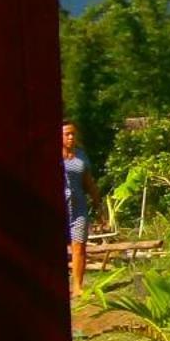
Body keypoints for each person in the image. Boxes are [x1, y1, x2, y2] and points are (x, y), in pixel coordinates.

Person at [62, 121, 103, 296]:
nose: (71, 137)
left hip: (78, 206)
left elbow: (88, 182)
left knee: (79, 246)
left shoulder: (81, 156)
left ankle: (77, 287)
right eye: (67, 134)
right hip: (60, 206)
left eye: (73, 134)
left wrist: (97, 203)